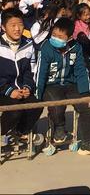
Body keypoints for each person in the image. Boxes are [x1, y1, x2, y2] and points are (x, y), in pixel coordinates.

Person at [36, 17, 90, 156]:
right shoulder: (46, 47)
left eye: (60, 37)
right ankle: (59, 128)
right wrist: (38, 95)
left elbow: (81, 70)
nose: (55, 38)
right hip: (51, 85)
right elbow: (41, 73)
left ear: (69, 38)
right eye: (54, 35)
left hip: (70, 84)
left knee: (86, 106)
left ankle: (88, 144)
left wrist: (86, 93)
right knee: (57, 103)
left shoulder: (76, 47)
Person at [0, 8, 43, 145]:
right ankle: (2, 132)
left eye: (20, 24)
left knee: (37, 105)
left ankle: (20, 131)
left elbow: (31, 71)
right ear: (3, 27)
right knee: (15, 110)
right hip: (3, 91)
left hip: (20, 90)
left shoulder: (28, 44)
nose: (17, 29)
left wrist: (27, 87)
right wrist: (9, 90)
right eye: (12, 25)